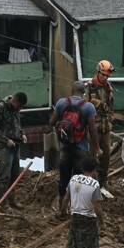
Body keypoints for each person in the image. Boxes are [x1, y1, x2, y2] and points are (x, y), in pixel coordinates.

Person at [49, 81, 99, 216]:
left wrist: (60, 128)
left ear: (71, 90)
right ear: (84, 92)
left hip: (65, 148)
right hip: (80, 149)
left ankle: (61, 209)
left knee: (64, 178)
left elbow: (51, 122)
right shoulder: (88, 107)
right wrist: (96, 148)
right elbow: (93, 130)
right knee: (78, 180)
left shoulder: (61, 103)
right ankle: (75, 209)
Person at [62, 156, 104, 248]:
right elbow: (97, 207)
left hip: (75, 215)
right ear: (94, 170)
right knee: (89, 243)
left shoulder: (74, 178)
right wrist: (102, 221)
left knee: (72, 237)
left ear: (82, 167)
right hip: (88, 218)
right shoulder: (95, 184)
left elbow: (66, 198)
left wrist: (62, 210)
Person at [0, 92, 27, 208]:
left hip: (16, 144)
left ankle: (12, 200)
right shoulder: (0, 108)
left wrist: (22, 134)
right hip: (4, 147)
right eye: (19, 106)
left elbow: (17, 124)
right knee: (5, 176)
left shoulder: (15, 109)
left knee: (14, 174)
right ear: (14, 101)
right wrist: (6, 140)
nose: (20, 109)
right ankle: (2, 203)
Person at [83, 60, 116, 186]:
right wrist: (95, 103)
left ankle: (102, 183)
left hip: (105, 126)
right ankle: (90, 182)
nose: (105, 77)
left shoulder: (108, 87)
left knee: (106, 156)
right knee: (92, 156)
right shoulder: (89, 86)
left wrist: (110, 118)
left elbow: (111, 106)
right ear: (98, 72)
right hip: (93, 127)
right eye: (103, 75)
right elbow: (83, 106)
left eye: (107, 76)